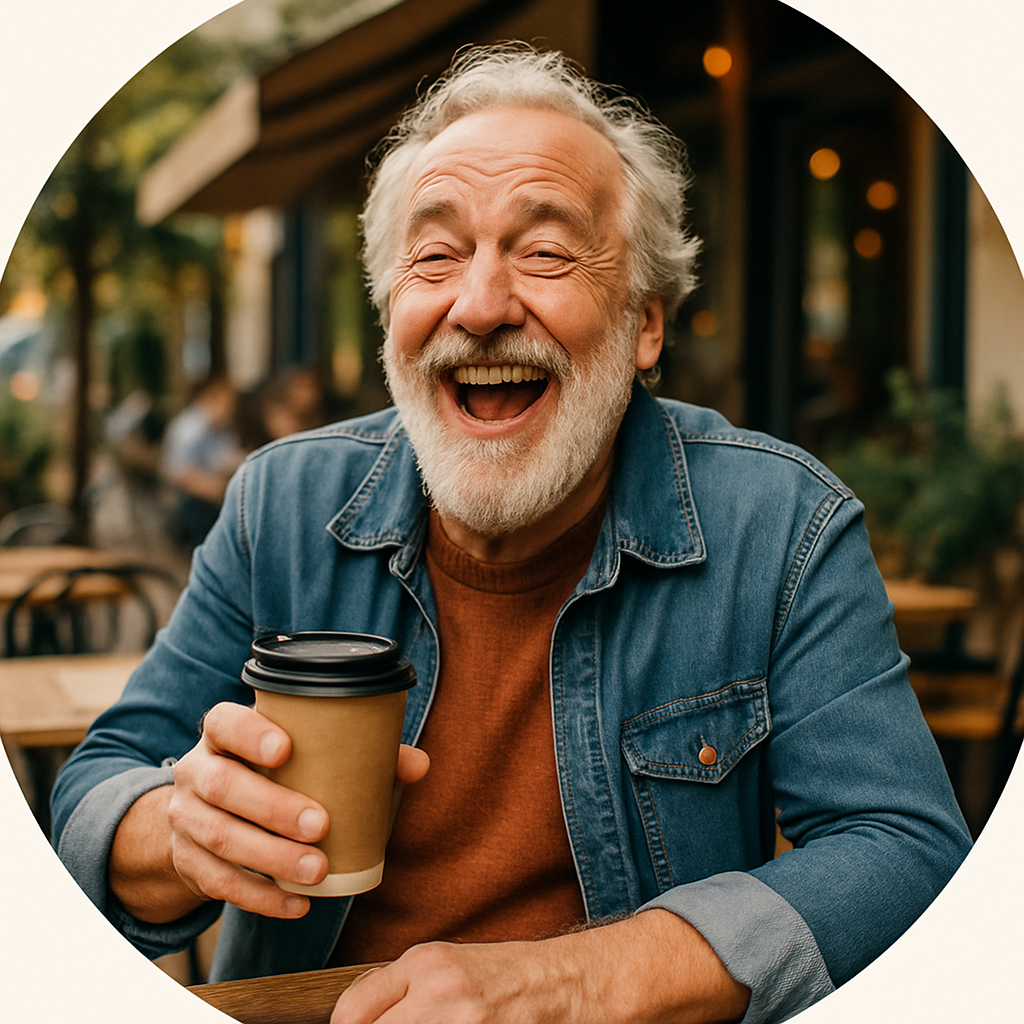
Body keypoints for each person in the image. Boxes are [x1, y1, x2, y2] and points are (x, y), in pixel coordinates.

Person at [52, 44, 971, 1024]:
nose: (480, 307)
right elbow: (89, 797)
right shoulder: (279, 504)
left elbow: (906, 852)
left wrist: (580, 978)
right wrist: (176, 832)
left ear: (644, 325)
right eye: (436, 256)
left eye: (543, 253)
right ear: (390, 314)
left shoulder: (783, 524)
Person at [159, 375, 244, 549]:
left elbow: (228, 458)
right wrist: (225, 491)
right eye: (228, 403)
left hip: (213, 497)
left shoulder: (221, 427)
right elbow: (179, 474)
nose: (232, 409)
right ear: (209, 399)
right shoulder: (189, 429)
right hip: (189, 505)